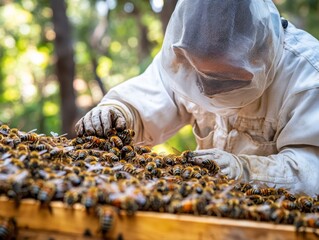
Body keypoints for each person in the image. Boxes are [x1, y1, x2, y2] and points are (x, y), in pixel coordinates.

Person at [75, 0, 319, 196]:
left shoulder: (308, 76)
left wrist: (244, 170)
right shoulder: (184, 61)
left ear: (259, 54)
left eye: (222, 78)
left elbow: (311, 172)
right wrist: (118, 112)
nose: (207, 90)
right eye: (199, 74)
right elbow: (149, 100)